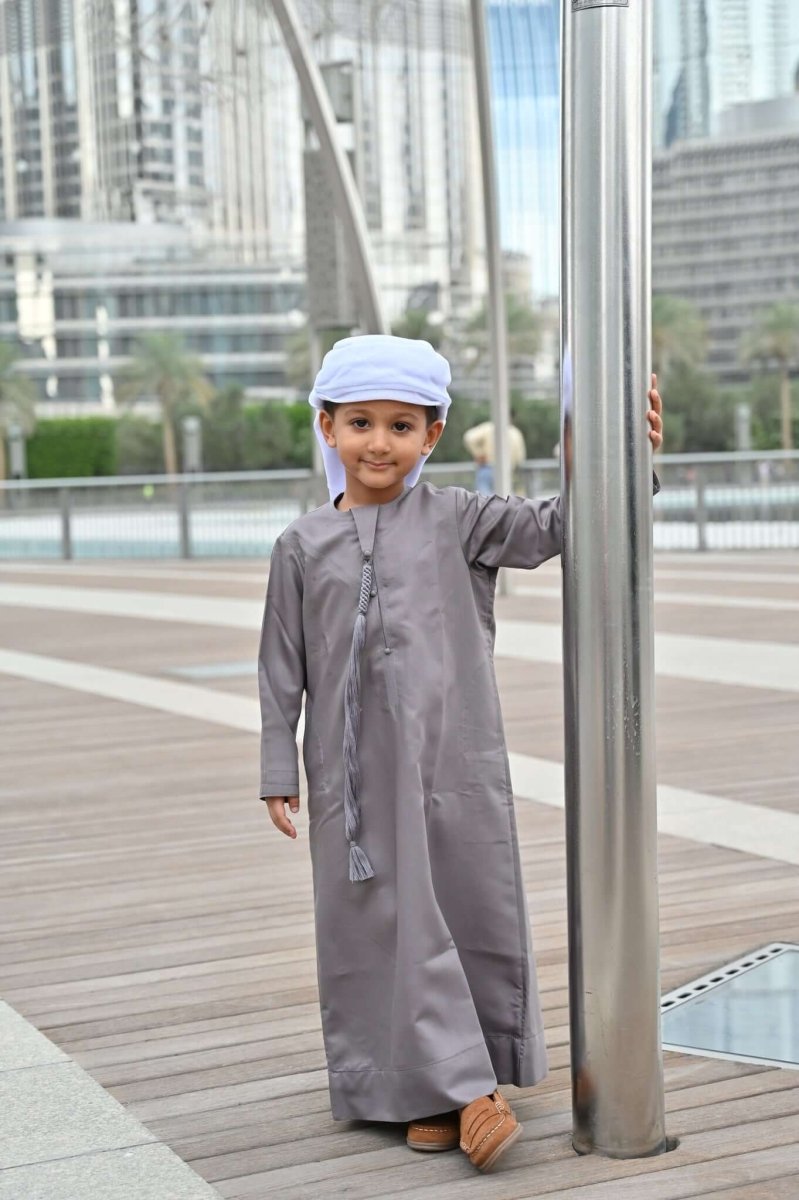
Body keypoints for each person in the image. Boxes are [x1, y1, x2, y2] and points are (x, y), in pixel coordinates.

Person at [258, 335, 664, 1173]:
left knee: (459, 908)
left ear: (432, 435)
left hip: (454, 765)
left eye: (401, 425)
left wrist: (627, 456)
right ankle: (447, 1090)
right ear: (326, 427)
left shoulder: (460, 520)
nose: (379, 442)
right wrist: (276, 771)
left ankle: (455, 1089)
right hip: (352, 782)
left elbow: (559, 528)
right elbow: (280, 667)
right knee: (378, 927)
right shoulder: (299, 544)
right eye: (360, 423)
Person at [463, 416, 527, 495]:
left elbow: (469, 437)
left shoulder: (489, 427)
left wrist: (479, 454)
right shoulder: (515, 433)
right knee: (505, 498)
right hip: (506, 471)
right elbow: (520, 458)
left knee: (484, 499)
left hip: (487, 468)